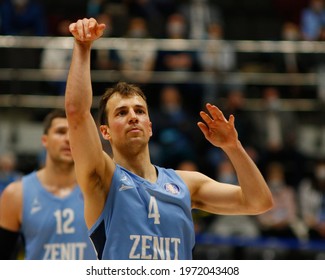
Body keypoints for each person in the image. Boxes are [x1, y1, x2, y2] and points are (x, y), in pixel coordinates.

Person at [64, 17, 273, 260]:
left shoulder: (186, 183)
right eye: (122, 113)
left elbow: (259, 202)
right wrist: (82, 46)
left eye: (139, 111)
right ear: (105, 132)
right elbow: (77, 113)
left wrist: (233, 147)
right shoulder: (103, 177)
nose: (133, 117)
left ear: (150, 126)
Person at [0, 109, 97, 260]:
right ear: (44, 140)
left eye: (74, 132)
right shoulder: (16, 194)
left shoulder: (98, 190)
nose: (68, 139)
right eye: (60, 132)